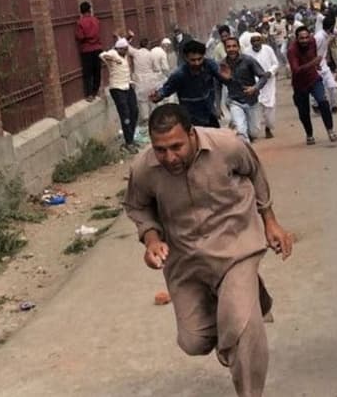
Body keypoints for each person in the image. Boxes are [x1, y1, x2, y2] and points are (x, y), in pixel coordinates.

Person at [123, 104, 293, 397]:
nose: (169, 157)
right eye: (160, 149)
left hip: (236, 246)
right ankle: (246, 300)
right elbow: (138, 206)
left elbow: (254, 171)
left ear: (191, 134)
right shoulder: (143, 168)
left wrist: (270, 220)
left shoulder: (227, 146)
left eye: (176, 146)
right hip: (186, 259)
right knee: (194, 341)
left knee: (241, 329)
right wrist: (151, 239)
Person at [150, 40, 230, 128]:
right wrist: (158, 96)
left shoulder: (209, 65)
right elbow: (166, 89)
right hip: (191, 118)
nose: (197, 63)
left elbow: (223, 79)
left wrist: (227, 78)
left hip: (209, 113)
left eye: (199, 59)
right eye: (193, 60)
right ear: (186, 58)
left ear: (204, 56)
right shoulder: (179, 74)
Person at [287, 26, 337, 145]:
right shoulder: (292, 50)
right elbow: (295, 70)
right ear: (297, 39)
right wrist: (313, 63)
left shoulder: (312, 42)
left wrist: (316, 66)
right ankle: (309, 134)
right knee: (304, 111)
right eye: (302, 38)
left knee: (323, 102)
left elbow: (314, 55)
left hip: (314, 79)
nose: (305, 40)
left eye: (306, 37)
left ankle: (330, 130)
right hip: (299, 84)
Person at [221, 36, 269, 143]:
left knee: (254, 132)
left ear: (238, 47)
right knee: (241, 131)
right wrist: (217, 106)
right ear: (225, 49)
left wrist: (255, 88)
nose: (231, 49)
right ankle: (246, 151)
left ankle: (247, 132)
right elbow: (217, 85)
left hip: (251, 101)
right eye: (228, 47)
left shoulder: (248, 60)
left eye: (234, 46)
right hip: (234, 101)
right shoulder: (222, 65)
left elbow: (263, 76)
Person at [100, 38, 140, 154]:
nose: (126, 51)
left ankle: (131, 138)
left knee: (134, 111)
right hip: (117, 88)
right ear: (119, 49)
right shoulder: (113, 53)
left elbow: (126, 42)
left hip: (127, 85)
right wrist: (113, 59)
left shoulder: (125, 55)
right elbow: (102, 55)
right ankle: (128, 143)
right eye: (124, 49)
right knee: (125, 114)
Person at [245, 33, 280, 139]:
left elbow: (275, 64)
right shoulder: (247, 53)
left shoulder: (268, 49)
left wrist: (270, 72)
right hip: (254, 84)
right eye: (253, 41)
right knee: (254, 108)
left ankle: (268, 128)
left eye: (257, 40)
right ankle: (252, 131)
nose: (256, 43)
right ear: (251, 43)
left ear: (261, 41)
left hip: (268, 83)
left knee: (269, 108)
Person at [128, 36, 170, 122]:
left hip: (139, 81)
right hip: (150, 80)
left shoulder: (136, 53)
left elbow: (127, 47)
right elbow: (156, 68)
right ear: (147, 45)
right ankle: (154, 118)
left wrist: (129, 37)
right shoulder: (151, 55)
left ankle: (145, 118)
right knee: (152, 99)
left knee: (142, 101)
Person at [75, 1, 103, 102]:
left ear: (81, 11)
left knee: (88, 73)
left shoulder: (80, 23)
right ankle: (95, 91)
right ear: (89, 10)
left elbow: (80, 36)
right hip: (97, 48)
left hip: (86, 49)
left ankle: (89, 94)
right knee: (97, 71)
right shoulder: (96, 20)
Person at [314, 16, 337, 113]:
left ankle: (333, 106)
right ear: (331, 27)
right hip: (316, 66)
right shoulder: (319, 37)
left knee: (332, 86)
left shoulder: (327, 34)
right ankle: (316, 105)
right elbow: (312, 50)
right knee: (318, 87)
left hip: (324, 65)